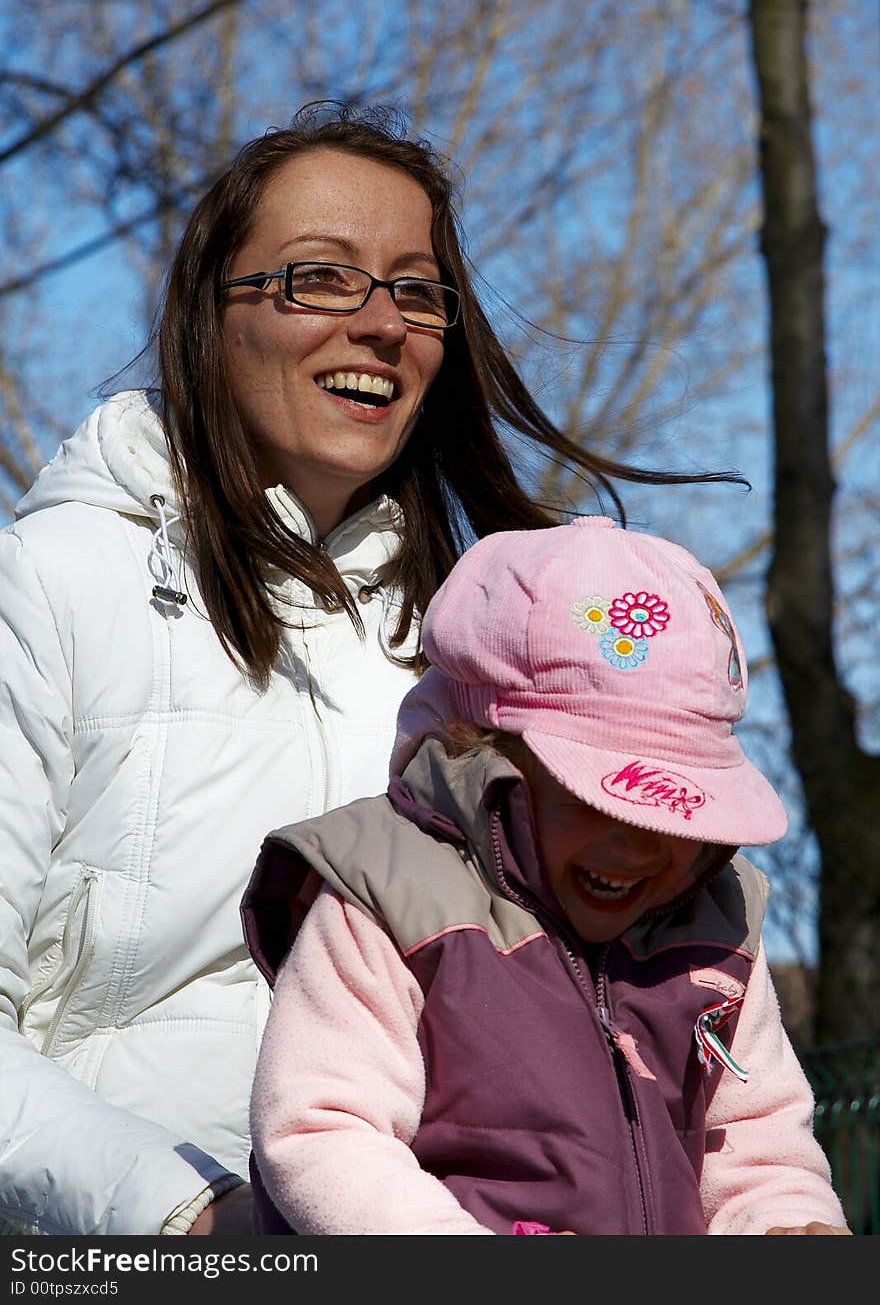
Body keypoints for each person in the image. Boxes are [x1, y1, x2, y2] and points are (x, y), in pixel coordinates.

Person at [0, 103, 742, 1237]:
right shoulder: (48, 582)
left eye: (415, 288)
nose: (382, 322)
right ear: (212, 314)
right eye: (320, 278)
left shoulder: (488, 645)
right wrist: (190, 1217)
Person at [244, 516, 851, 1235]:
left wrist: (784, 1224)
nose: (638, 849)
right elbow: (325, 1131)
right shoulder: (391, 897)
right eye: (597, 802)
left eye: (677, 816)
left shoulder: (716, 934)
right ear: (493, 757)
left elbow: (757, 1145)